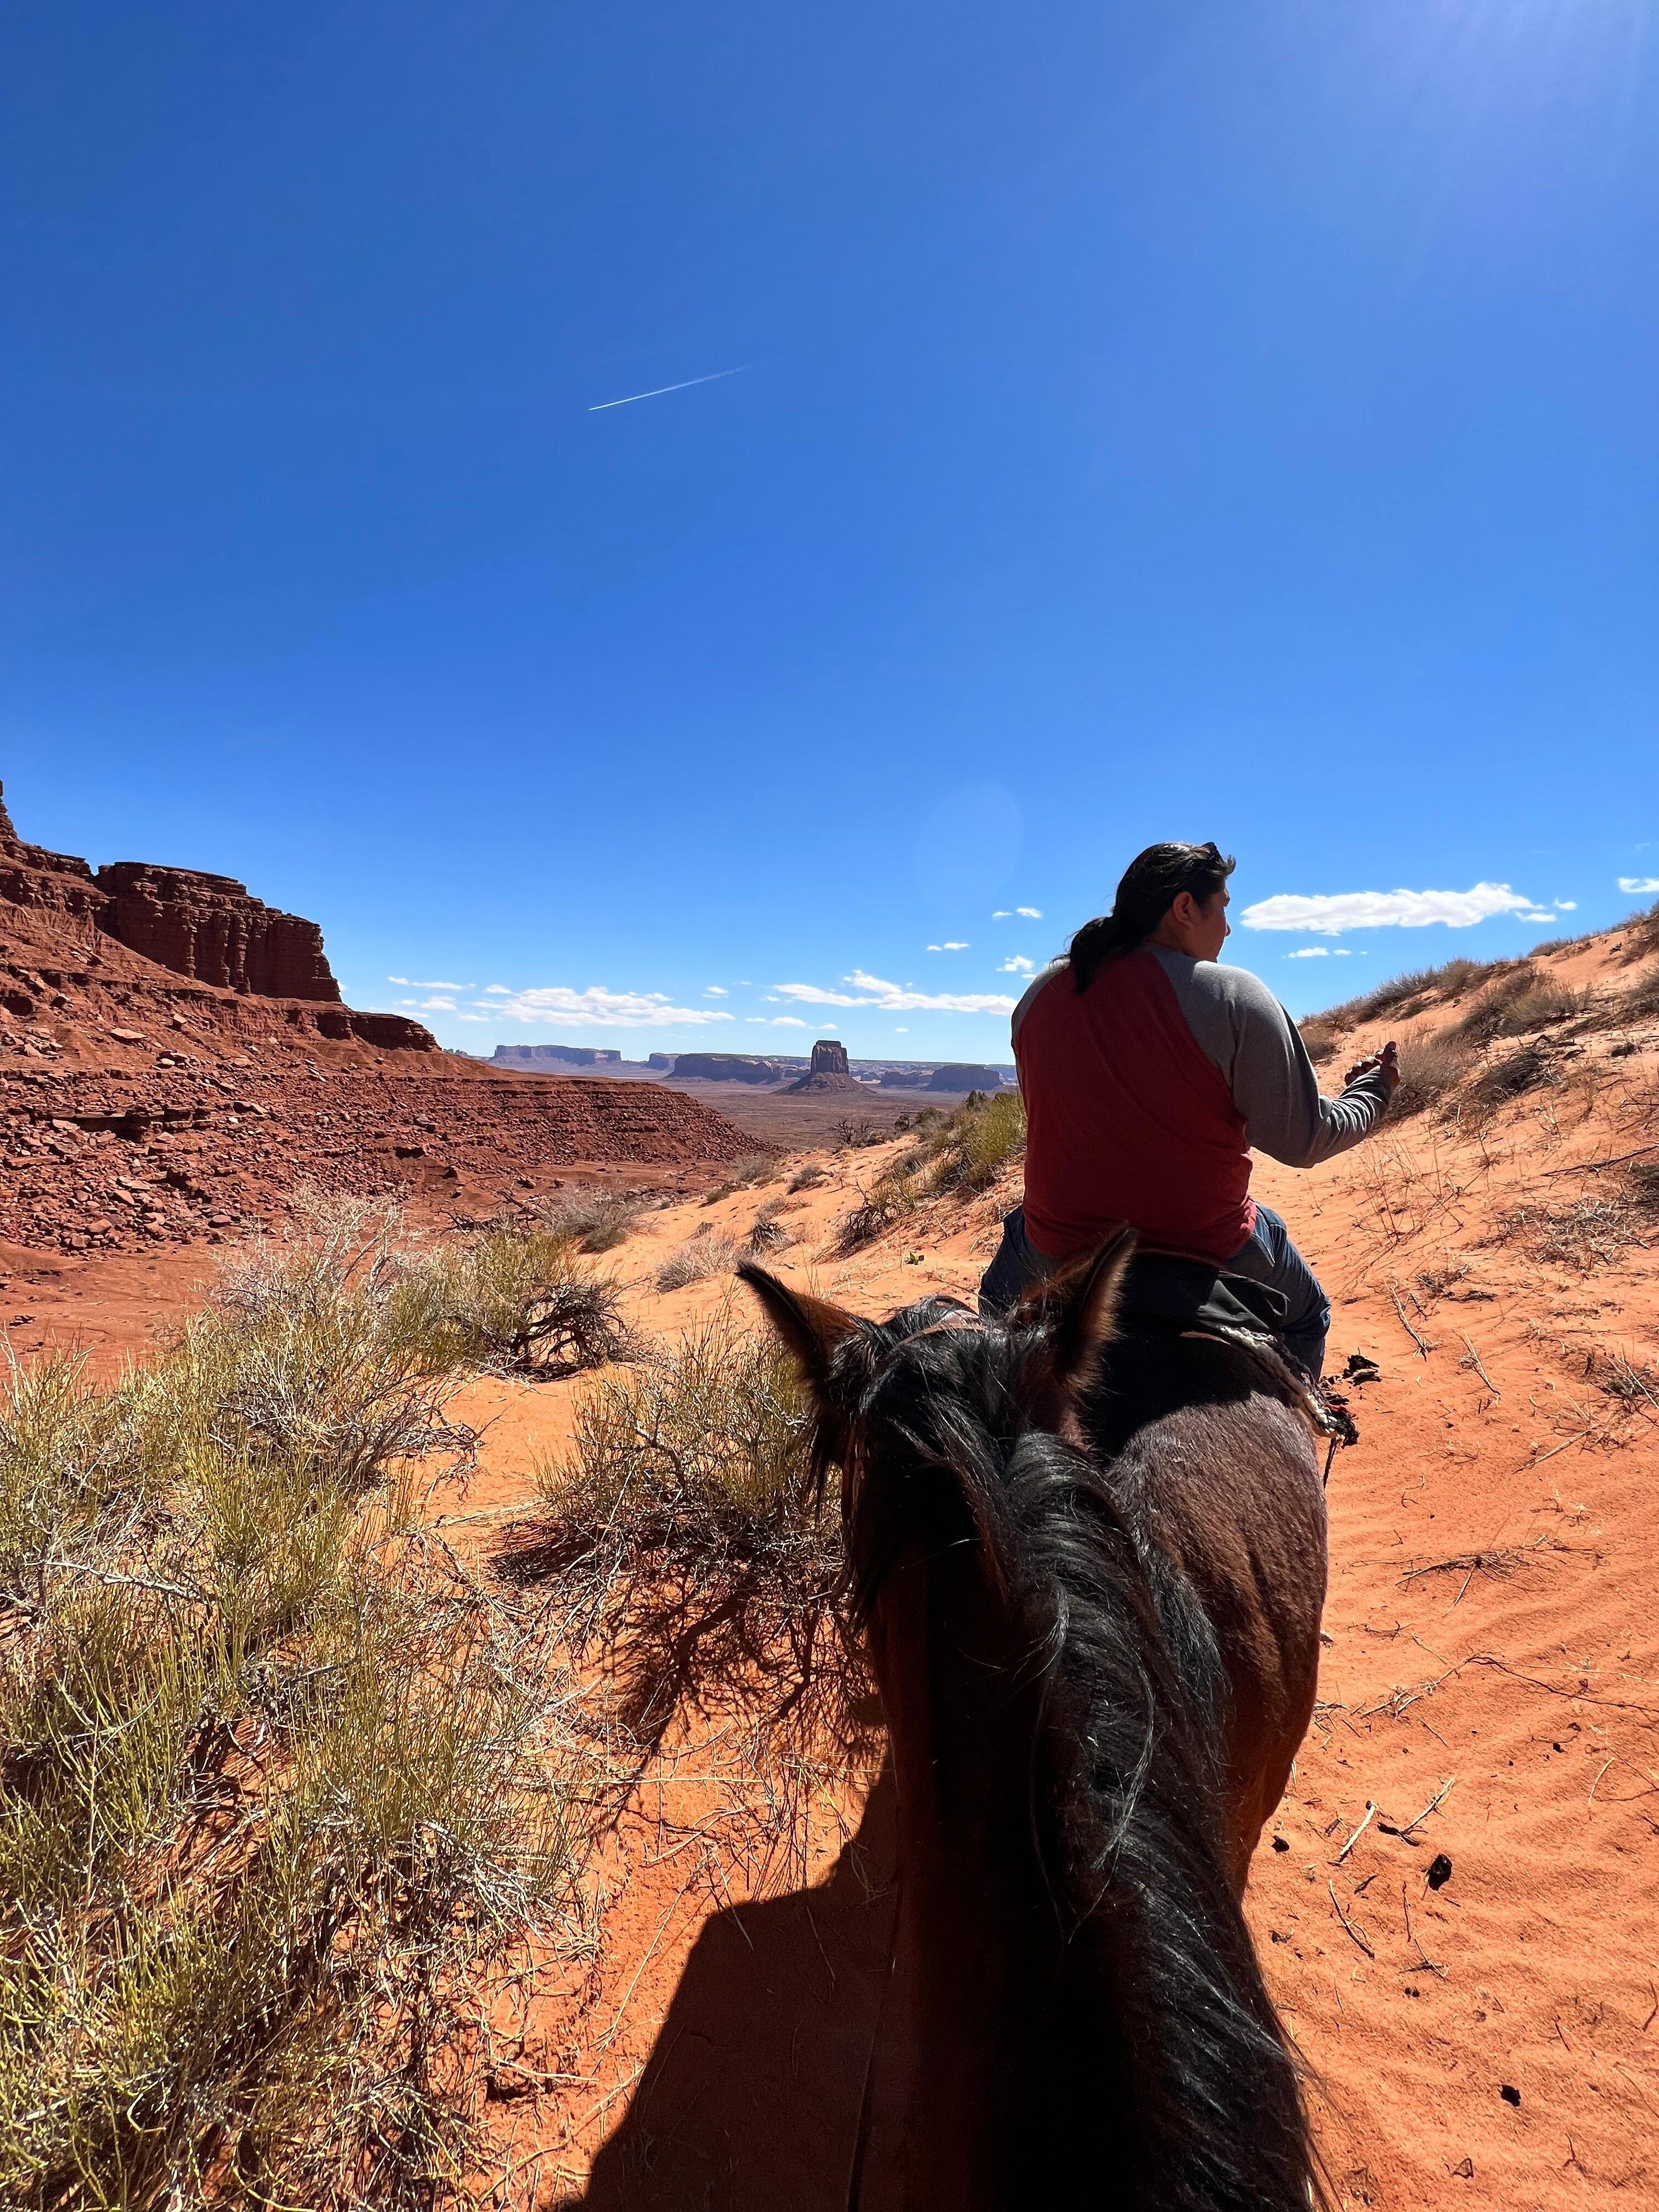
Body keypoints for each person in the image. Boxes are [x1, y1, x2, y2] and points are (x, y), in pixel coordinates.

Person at [979, 840, 1399, 1379]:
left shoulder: (1040, 996)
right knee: (1308, 1317)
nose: (1227, 928)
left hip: (1056, 1249)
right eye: (1223, 907)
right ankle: (1302, 1423)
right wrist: (1373, 1094)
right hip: (1207, 1246)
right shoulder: (1234, 996)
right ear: (1184, 908)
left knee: (995, 1308)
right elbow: (1303, 1139)